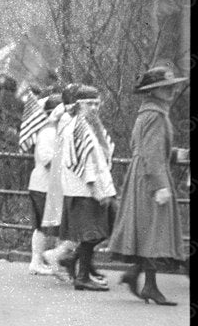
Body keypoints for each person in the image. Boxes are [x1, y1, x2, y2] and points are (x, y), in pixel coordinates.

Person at [108, 66, 188, 306]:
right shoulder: (155, 115)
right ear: (154, 91)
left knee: (149, 230)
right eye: (167, 87)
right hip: (150, 177)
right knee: (155, 230)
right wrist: (159, 186)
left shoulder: (148, 113)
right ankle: (148, 285)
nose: (172, 90)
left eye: (173, 86)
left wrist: (176, 154)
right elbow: (150, 153)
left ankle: (139, 277)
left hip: (143, 175)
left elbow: (146, 148)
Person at [50, 85, 117, 292]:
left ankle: (74, 262)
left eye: (97, 103)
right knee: (93, 234)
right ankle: (81, 276)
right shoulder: (79, 127)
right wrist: (98, 192)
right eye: (90, 104)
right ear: (80, 105)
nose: (95, 108)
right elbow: (86, 164)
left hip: (89, 189)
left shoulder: (87, 125)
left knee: (99, 232)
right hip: (86, 190)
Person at [23, 90, 67, 275]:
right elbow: (48, 158)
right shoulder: (48, 132)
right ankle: (38, 261)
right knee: (44, 225)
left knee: (44, 225)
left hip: (43, 184)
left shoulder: (53, 130)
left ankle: (40, 261)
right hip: (44, 185)